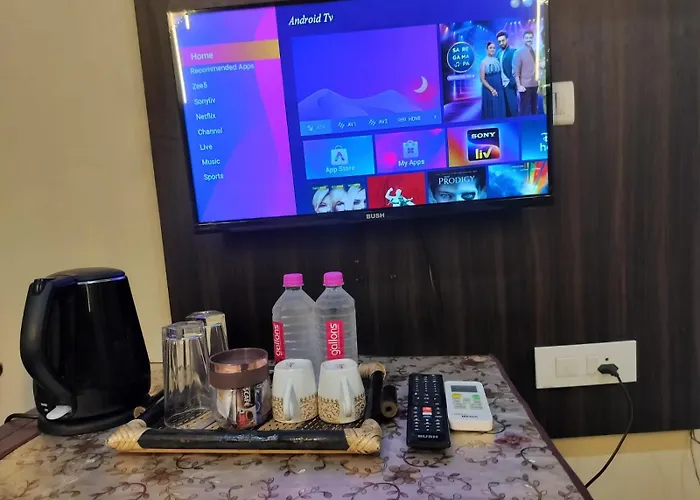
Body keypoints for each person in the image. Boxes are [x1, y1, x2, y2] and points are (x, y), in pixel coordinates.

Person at [514, 30, 539, 115]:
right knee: (524, 111)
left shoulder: (535, 51)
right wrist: (519, 86)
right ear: (523, 39)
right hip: (524, 87)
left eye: (530, 38)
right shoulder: (519, 52)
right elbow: (516, 72)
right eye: (527, 38)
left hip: (535, 85)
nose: (529, 39)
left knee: (534, 110)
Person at [479, 42, 506, 119]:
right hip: (489, 89)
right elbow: (482, 79)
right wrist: (492, 90)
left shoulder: (497, 60)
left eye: (494, 48)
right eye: (490, 48)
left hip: (499, 87)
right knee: (492, 111)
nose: (492, 49)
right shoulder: (484, 62)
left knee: (500, 109)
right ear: (487, 49)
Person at [496, 30, 518, 117]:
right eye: (499, 41)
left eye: (503, 40)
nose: (501, 43)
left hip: (510, 85)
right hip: (501, 86)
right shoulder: (498, 53)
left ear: (507, 40)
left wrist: (512, 82)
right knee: (504, 112)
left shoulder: (513, 51)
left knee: (513, 109)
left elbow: (517, 68)